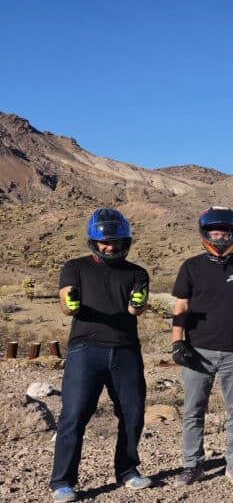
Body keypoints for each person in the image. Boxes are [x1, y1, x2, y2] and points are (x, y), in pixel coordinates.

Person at [51, 208, 152, 503]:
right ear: (94, 242)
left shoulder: (136, 272)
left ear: (125, 242)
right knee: (74, 415)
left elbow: (136, 310)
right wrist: (70, 301)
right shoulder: (75, 267)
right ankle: (62, 482)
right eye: (105, 242)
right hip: (86, 350)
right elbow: (67, 306)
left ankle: (128, 471)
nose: (111, 247)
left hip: (125, 350)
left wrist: (139, 301)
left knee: (132, 414)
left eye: (117, 242)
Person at [171, 206, 233, 487]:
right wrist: (177, 342)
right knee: (194, 410)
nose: (219, 237)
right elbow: (181, 306)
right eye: (214, 232)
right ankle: (192, 465)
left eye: (224, 232)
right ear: (205, 233)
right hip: (198, 349)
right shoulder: (191, 266)